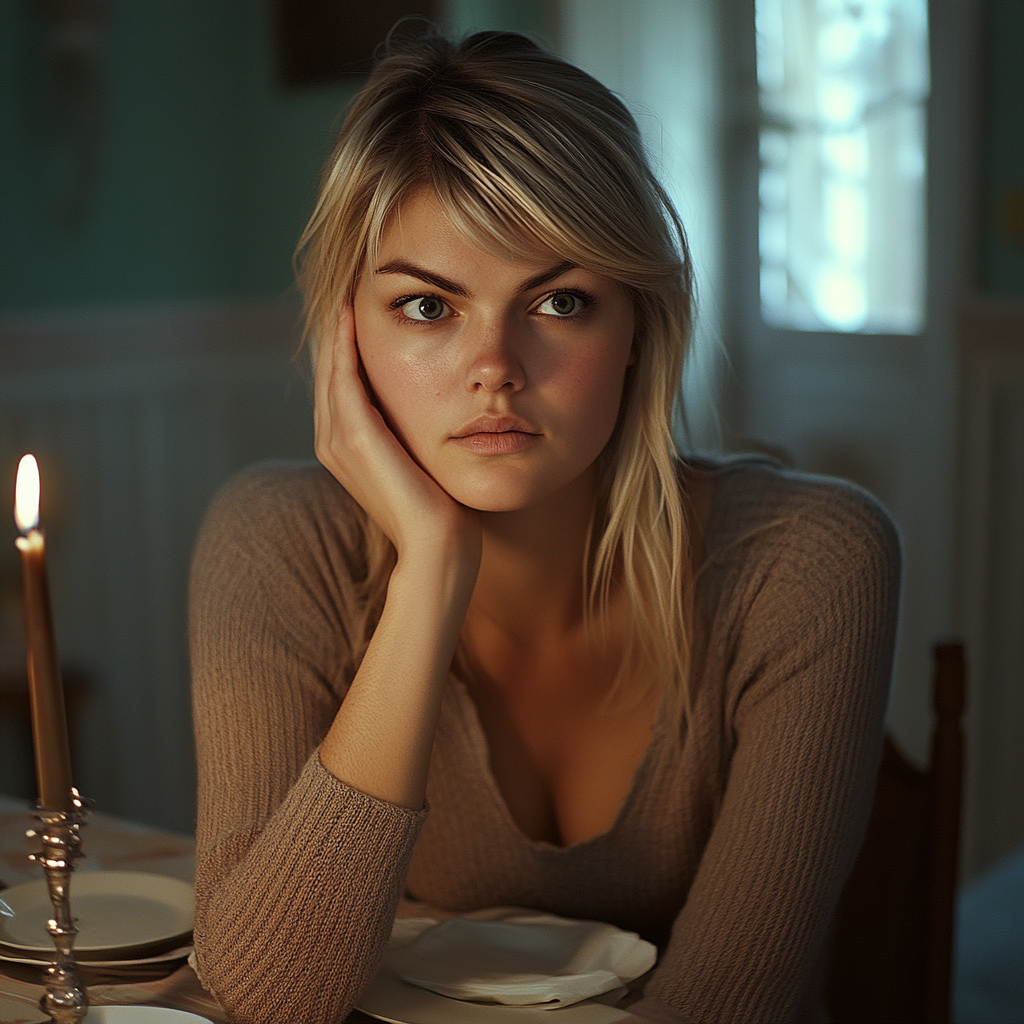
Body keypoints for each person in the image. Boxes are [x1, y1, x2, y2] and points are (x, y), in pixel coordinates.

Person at [189, 27, 901, 1024]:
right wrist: (432, 570)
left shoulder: (811, 563)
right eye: (428, 307)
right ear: (347, 330)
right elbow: (269, 996)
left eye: (560, 300)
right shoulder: (276, 541)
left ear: (636, 330)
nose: (496, 367)